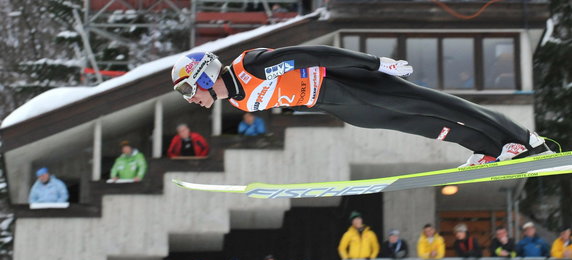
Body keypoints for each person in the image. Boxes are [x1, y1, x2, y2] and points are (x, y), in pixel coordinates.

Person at [171, 47, 552, 167]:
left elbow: (312, 54)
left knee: (433, 103)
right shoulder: (237, 98)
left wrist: (374, 64)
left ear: (204, 73)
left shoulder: (250, 66)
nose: (191, 98)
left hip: (345, 82)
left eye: (189, 87)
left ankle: (528, 141)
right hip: (337, 104)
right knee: (416, 124)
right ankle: (489, 148)